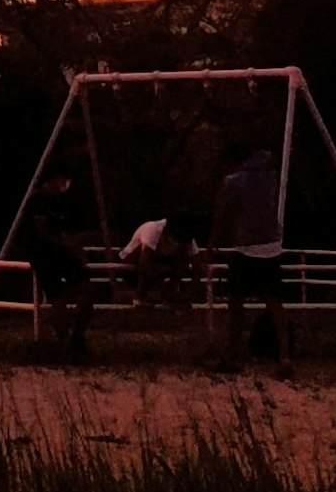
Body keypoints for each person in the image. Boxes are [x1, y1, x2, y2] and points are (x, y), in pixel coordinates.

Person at [210, 149, 291, 373]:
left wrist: (213, 241)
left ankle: (230, 356)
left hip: (245, 248)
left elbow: (223, 213)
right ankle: (284, 357)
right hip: (271, 247)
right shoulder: (270, 179)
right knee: (275, 305)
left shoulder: (233, 182)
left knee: (236, 304)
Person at [16, 175, 95, 357]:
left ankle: (77, 337)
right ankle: (65, 341)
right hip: (41, 252)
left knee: (87, 288)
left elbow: (61, 231)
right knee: (56, 294)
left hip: (58, 250)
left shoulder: (60, 202)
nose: (64, 185)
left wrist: (74, 244)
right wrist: (70, 246)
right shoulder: (37, 201)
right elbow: (43, 232)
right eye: (60, 180)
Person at [118, 210, 201, 309]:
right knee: (148, 254)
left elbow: (197, 264)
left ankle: (173, 291)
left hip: (160, 263)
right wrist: (161, 288)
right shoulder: (152, 229)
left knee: (183, 253)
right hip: (132, 261)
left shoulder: (186, 235)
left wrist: (192, 291)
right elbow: (144, 262)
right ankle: (142, 293)